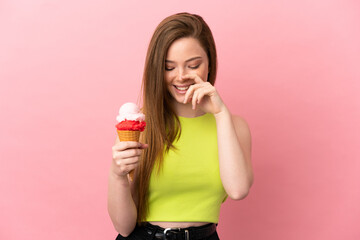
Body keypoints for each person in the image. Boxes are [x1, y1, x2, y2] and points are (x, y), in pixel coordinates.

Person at [108, 12, 254, 240]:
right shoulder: (140, 126)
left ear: (209, 63)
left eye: (193, 65)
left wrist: (221, 113)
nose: (181, 76)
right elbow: (123, 227)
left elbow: (238, 190)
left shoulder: (233, 126)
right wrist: (117, 176)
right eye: (169, 67)